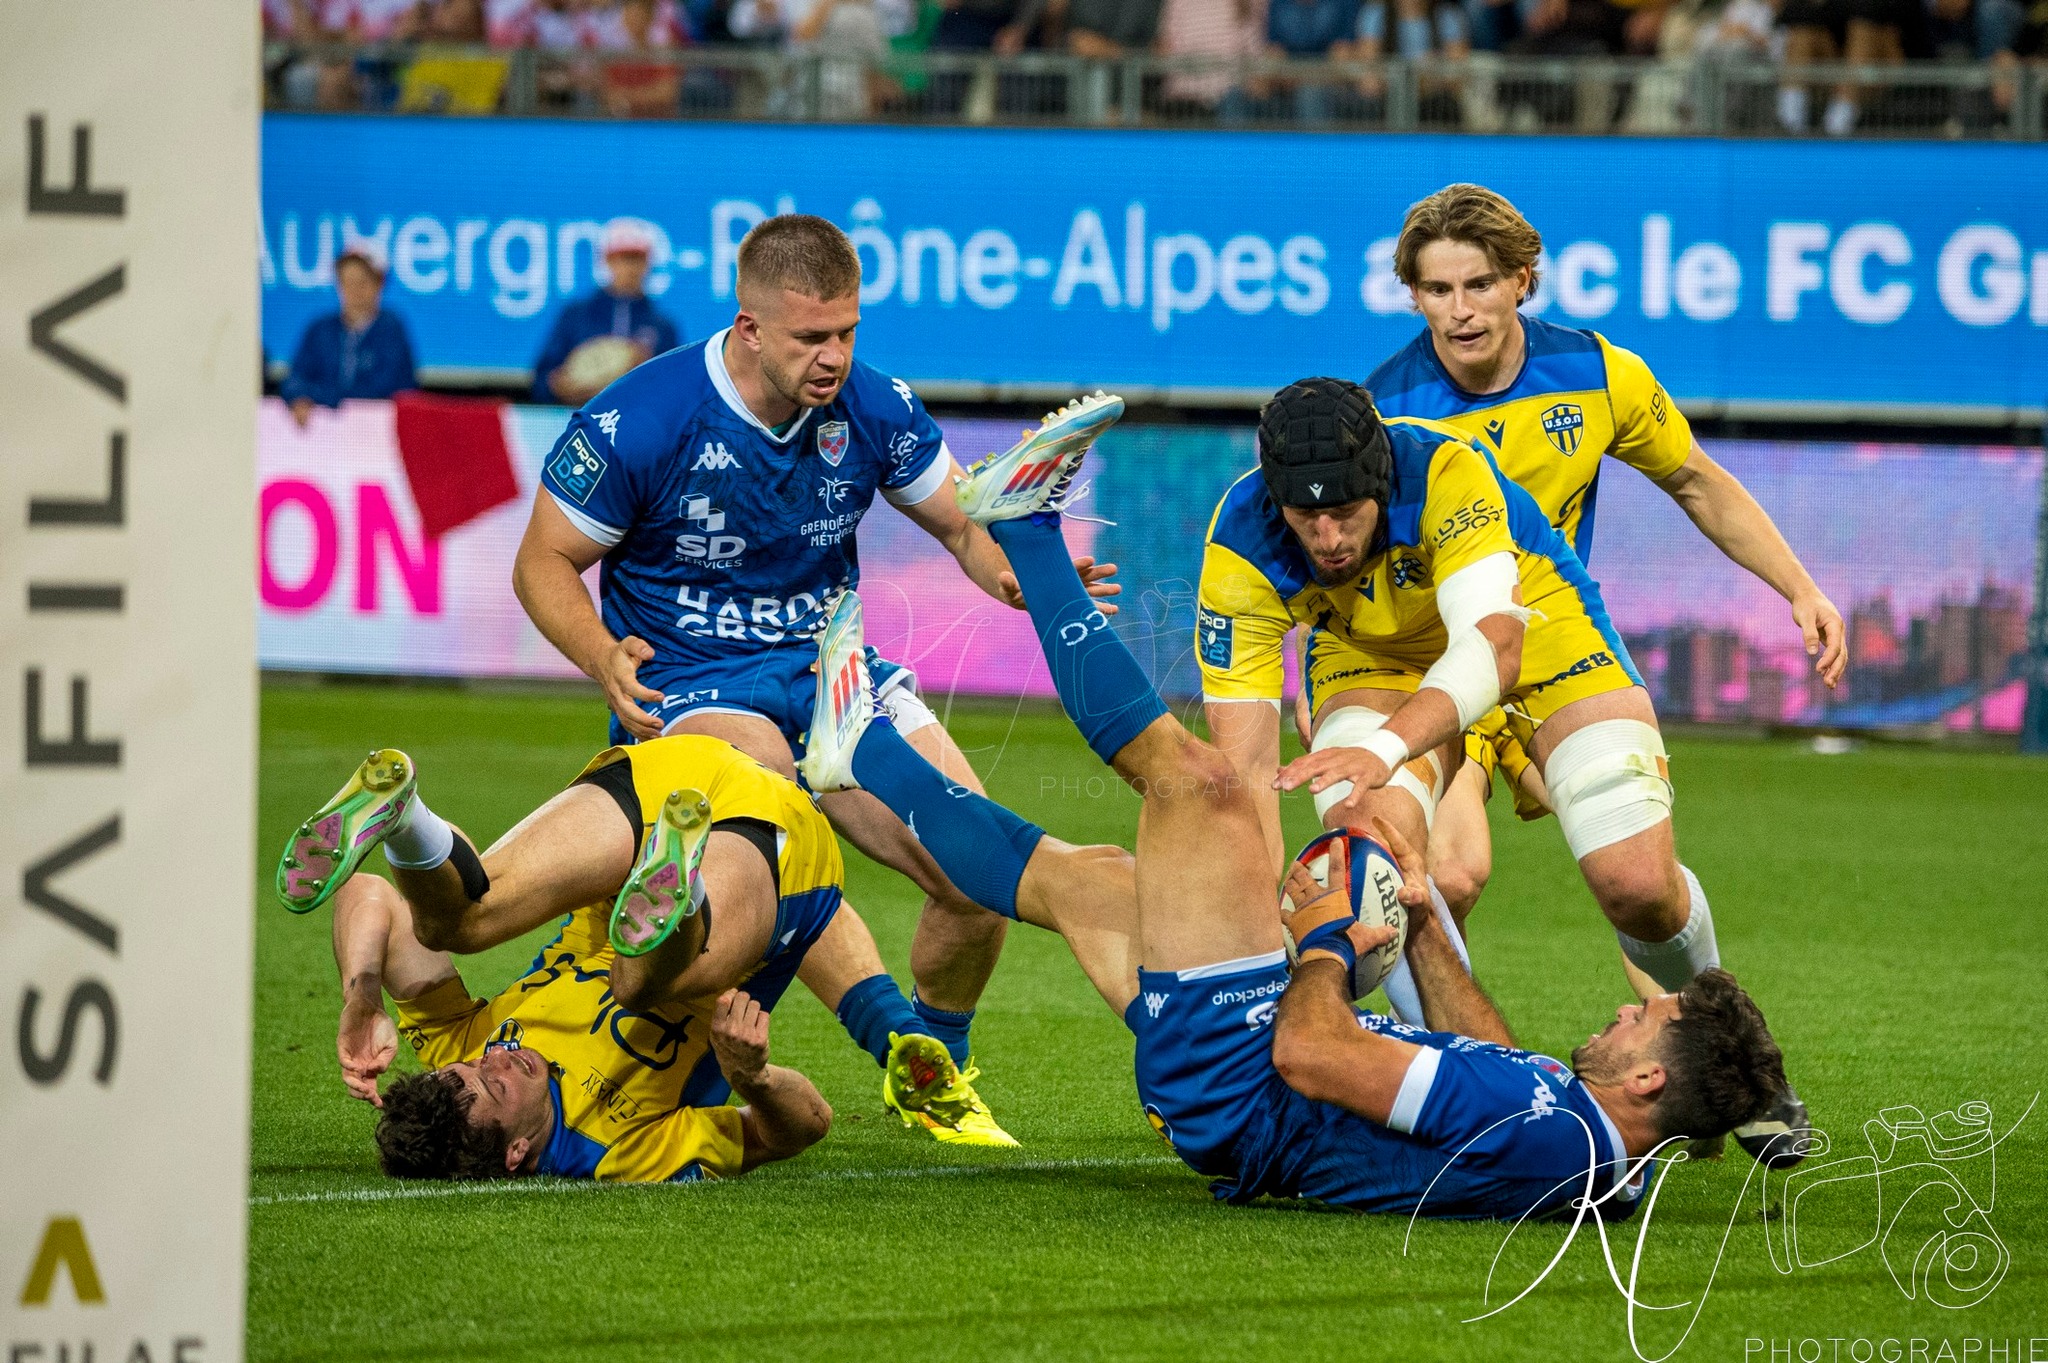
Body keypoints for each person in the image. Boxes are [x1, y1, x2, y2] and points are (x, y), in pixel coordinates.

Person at [795, 437, 1800, 1214]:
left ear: (1648, 1076)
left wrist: (1327, 938)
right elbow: (1490, 1054)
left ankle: (1019, 530)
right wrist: (1419, 930)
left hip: (1239, 1085)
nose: (1626, 1009)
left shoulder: (1552, 1143)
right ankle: (860, 753)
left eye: (1643, 1018)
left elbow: (1312, 1059)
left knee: (1200, 789)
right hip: (1247, 1078)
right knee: (1085, 880)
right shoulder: (1580, 1139)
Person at [510, 213, 1123, 1144]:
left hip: (831, 669)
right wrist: (602, 654)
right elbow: (542, 562)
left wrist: (1024, 577)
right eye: (811, 338)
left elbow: (962, 523)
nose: (834, 356)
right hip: (691, 683)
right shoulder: (643, 416)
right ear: (750, 328)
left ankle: (931, 1071)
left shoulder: (872, 405)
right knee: (780, 819)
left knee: (971, 882)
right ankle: (881, 1031)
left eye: (847, 332)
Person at [1192, 375, 1812, 1167]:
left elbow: (1491, 647)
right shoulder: (1241, 541)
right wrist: (1251, 950)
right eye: (1304, 515)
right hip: (1371, 656)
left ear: (1379, 481)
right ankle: (1476, 1103)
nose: (1326, 536)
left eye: (1345, 510)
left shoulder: (1447, 470)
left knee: (1637, 884)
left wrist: (1384, 750)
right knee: (1368, 844)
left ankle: (1736, 1062)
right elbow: (1244, 778)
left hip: (1533, 628)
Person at [1358, 184, 1842, 1014]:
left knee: (1638, 884)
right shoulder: (1384, 412)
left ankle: (1728, 1057)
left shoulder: (1596, 374)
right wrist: (1324, 690)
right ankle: (1464, 1090)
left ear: (1521, 278)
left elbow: (1694, 479)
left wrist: (1798, 587)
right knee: (1448, 873)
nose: (1460, 310)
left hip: (1553, 654)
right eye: (1438, 290)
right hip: (1444, 665)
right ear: (1414, 294)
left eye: (1479, 285)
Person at [277, 733, 994, 1172]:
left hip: (664, 782)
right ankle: (674, 893)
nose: (497, 1058)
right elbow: (804, 1125)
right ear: (518, 1153)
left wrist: (363, 989)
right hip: (773, 856)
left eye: (478, 1062)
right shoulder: (615, 1151)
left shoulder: (457, 1057)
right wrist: (756, 1076)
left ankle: (406, 818)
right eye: (497, 1086)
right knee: (635, 984)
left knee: (455, 922)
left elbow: (367, 896)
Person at [530, 219, 683, 406]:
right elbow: (541, 378)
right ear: (607, 261)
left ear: (647, 263)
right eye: (622, 258)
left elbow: (677, 388)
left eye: (636, 259)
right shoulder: (577, 316)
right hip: (580, 421)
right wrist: (557, 386)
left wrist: (644, 374)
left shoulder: (661, 326)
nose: (629, 268)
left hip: (639, 426)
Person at [280, 242, 418, 428]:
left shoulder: (391, 330)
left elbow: (381, 390)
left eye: (362, 282)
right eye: (347, 281)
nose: (354, 290)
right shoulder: (321, 330)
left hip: (377, 435)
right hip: (324, 439)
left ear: (379, 284)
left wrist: (320, 397)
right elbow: (295, 379)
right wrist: (299, 397)